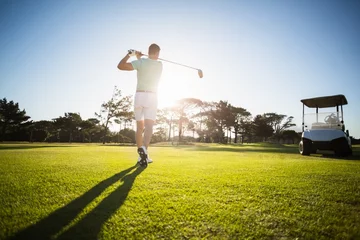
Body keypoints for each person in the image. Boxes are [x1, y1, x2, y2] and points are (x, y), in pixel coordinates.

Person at [117, 43, 163, 165]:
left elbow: (120, 66)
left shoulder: (141, 62)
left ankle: (141, 156)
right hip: (152, 96)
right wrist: (139, 58)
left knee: (140, 127)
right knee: (149, 126)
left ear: (149, 51)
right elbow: (148, 65)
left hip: (139, 95)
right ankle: (144, 151)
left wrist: (130, 55)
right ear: (157, 53)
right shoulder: (159, 65)